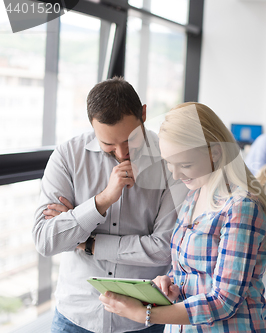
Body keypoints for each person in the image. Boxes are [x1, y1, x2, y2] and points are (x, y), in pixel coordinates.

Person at [99, 102, 266, 332]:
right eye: (170, 164)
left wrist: (144, 314)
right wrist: (170, 282)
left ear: (214, 153)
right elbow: (189, 270)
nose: (175, 174)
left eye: (185, 164)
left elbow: (225, 300)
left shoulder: (241, 206)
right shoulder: (194, 196)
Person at [33, 77, 187, 333]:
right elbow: (46, 240)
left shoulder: (168, 159)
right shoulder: (68, 156)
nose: (121, 153)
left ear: (144, 114)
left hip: (142, 320)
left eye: (129, 140)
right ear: (92, 125)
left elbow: (165, 248)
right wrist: (102, 200)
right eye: (108, 144)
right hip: (75, 317)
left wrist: (89, 242)